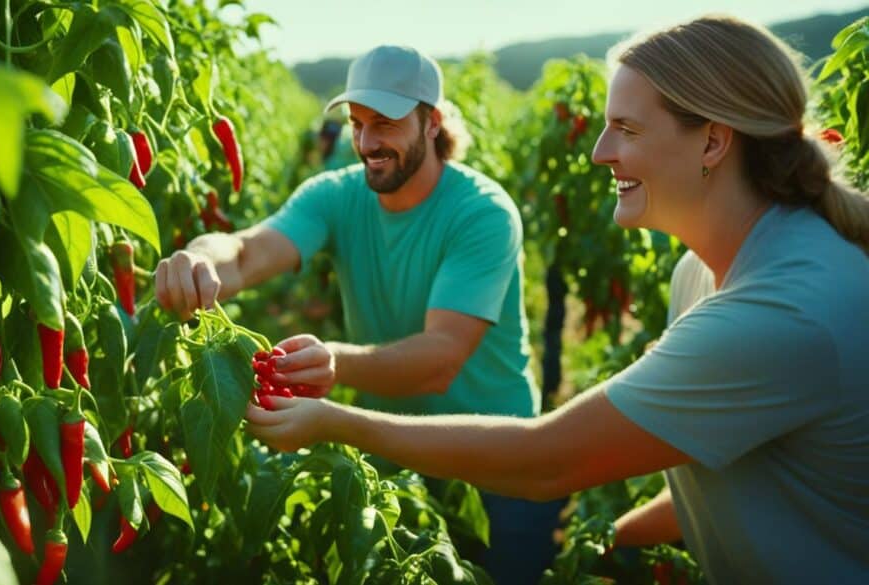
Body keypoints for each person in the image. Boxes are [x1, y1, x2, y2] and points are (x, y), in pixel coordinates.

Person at [245, 16, 869, 584]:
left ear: (712, 142)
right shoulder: (701, 272)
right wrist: (608, 544)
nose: (599, 151)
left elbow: (547, 460)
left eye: (625, 128)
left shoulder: (783, 311)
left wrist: (333, 421)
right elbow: (726, 461)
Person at [154, 45, 562, 584]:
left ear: (432, 122)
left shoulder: (481, 213)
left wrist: (336, 364)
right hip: (391, 449)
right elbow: (249, 251)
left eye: (386, 123)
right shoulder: (336, 195)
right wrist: (202, 259)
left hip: (496, 455)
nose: (368, 142)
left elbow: (442, 358)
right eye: (358, 123)